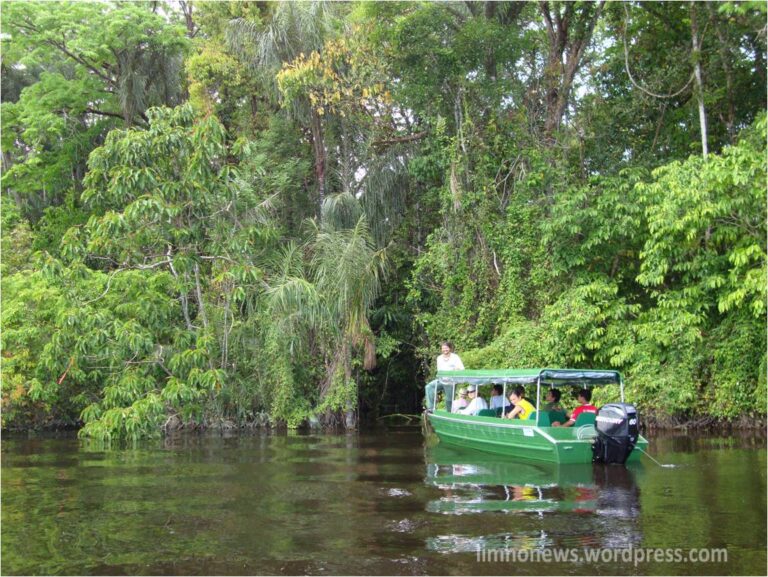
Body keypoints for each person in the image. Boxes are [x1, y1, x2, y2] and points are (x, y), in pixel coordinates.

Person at [424, 341, 465, 412]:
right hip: (441, 380)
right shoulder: (439, 358)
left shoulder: (455, 357)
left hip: (451, 382)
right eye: (443, 348)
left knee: (449, 400)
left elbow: (462, 369)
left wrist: (455, 370)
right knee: (429, 387)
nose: (444, 350)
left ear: (450, 348)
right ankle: (431, 408)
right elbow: (439, 370)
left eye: (446, 348)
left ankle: (449, 414)